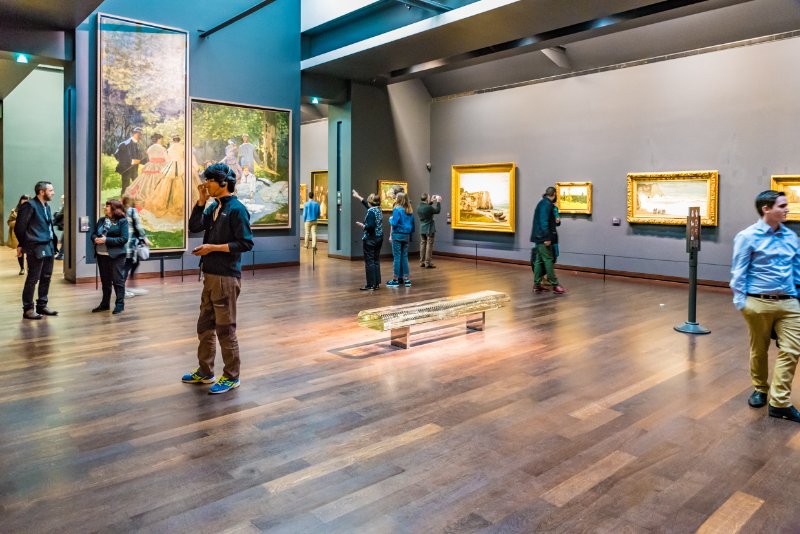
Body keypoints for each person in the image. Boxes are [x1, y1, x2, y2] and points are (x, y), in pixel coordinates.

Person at [184, 163, 254, 395]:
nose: (206, 184)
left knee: (225, 329)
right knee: (204, 326)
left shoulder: (237, 209)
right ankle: (206, 371)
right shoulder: (213, 207)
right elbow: (194, 226)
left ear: (224, 182)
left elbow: (245, 243)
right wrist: (201, 200)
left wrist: (211, 248)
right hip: (210, 275)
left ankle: (232, 376)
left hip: (226, 277)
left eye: (210, 181)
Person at [731, 190, 800, 423]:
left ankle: (779, 402)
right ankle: (761, 388)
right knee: (759, 349)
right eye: (782, 205)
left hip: (789, 302)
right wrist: (743, 304)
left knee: (792, 349)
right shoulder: (747, 236)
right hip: (757, 302)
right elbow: (738, 272)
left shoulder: (791, 237)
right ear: (766, 209)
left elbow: (797, 269)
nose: (786, 209)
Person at [14, 181, 59, 320]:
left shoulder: (46, 206)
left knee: (46, 277)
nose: (53, 193)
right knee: (33, 278)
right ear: (41, 191)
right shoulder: (29, 205)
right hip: (35, 246)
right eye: (51, 190)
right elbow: (20, 227)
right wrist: (22, 244)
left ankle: (42, 306)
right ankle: (28, 309)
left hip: (49, 245)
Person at [91, 199, 130, 314]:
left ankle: (119, 305)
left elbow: (124, 239)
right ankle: (105, 304)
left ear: (114, 208)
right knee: (105, 282)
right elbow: (93, 233)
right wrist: (95, 239)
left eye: (107, 206)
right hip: (101, 255)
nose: (105, 208)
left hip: (116, 256)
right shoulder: (102, 220)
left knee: (118, 281)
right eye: (105, 206)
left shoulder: (122, 221)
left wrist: (106, 240)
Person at [531, 186, 566, 294]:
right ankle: (555, 285)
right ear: (554, 194)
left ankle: (537, 284)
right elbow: (544, 222)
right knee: (548, 260)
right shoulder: (546, 205)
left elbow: (548, 221)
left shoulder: (542, 203)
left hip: (538, 237)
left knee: (538, 261)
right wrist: (547, 237)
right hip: (543, 238)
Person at [353, 189, 383, 290]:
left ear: (371, 203)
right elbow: (367, 204)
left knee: (369, 261)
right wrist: (358, 196)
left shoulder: (371, 213)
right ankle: (376, 283)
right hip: (379, 238)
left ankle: (370, 284)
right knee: (376, 260)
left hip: (371, 239)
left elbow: (370, 226)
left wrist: (363, 225)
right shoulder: (378, 209)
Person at [126, 133, 167, 206]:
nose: (161, 140)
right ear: (159, 139)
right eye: (161, 139)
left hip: (150, 165)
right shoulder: (162, 148)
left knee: (146, 181)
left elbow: (150, 158)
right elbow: (166, 159)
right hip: (160, 166)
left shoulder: (150, 148)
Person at [122, 195, 150, 297]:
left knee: (134, 263)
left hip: (124, 243)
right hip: (130, 244)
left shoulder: (122, 211)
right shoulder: (132, 211)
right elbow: (138, 226)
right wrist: (144, 237)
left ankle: (130, 283)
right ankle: (122, 289)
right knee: (128, 265)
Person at [387, 192, 415, 288]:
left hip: (397, 235)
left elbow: (394, 223)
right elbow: (413, 225)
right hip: (406, 236)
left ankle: (395, 279)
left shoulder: (397, 209)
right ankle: (407, 279)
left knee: (397, 257)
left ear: (398, 199)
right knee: (404, 257)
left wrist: (390, 219)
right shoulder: (409, 211)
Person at [114, 127, 145, 194]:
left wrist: (139, 160)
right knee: (125, 186)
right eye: (141, 135)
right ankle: (123, 202)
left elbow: (140, 157)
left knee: (136, 186)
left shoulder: (138, 144)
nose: (141, 136)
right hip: (126, 169)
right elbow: (117, 155)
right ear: (136, 134)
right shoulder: (124, 144)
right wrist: (130, 161)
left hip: (135, 169)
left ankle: (133, 201)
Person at [417, 193, 441, 268]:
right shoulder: (428, 208)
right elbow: (437, 211)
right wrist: (438, 202)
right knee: (429, 245)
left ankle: (421, 262)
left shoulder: (419, 207)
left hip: (422, 228)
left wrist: (431, 201)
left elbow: (427, 208)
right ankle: (428, 263)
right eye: (429, 197)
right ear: (427, 199)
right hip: (429, 228)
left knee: (422, 244)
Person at [8, 195, 29, 275]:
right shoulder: (14, 211)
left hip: (28, 234)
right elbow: (9, 222)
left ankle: (29, 267)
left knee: (29, 252)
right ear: (20, 201)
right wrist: (18, 223)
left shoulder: (31, 210)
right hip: (18, 234)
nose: (24, 201)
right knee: (20, 251)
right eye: (23, 200)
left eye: (26, 200)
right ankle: (22, 268)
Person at [53, 194, 65, 260]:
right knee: (64, 240)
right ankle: (60, 254)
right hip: (65, 226)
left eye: (62, 198)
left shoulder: (65, 206)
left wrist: (55, 214)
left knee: (64, 240)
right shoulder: (63, 206)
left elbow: (59, 215)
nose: (61, 200)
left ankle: (60, 254)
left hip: (67, 227)